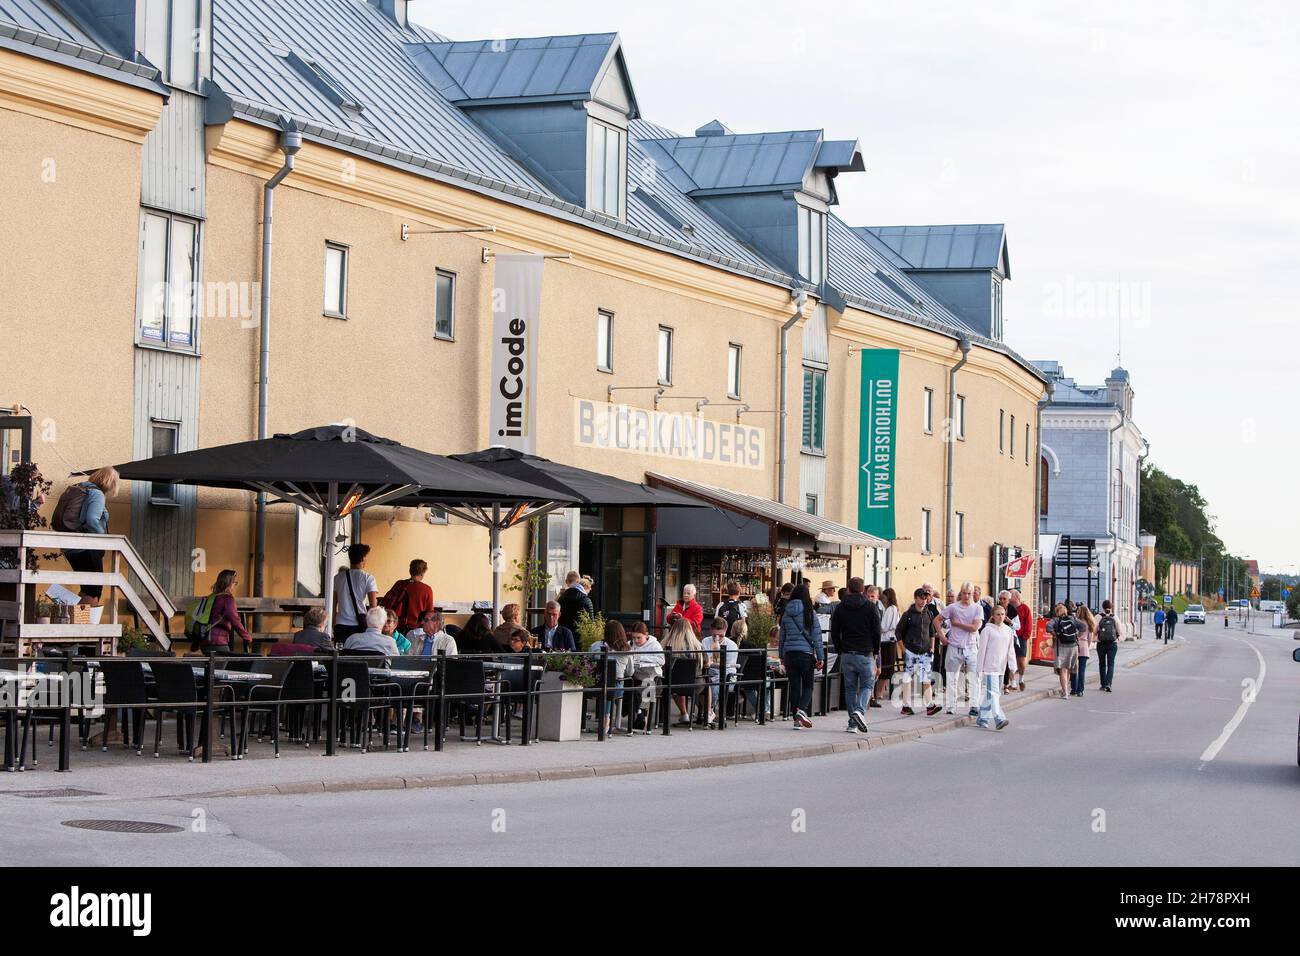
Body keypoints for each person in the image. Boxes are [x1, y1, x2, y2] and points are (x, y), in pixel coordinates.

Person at [59, 466, 119, 606]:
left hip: (71, 548)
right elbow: (92, 520)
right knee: (94, 591)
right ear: (110, 482)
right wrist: (102, 539)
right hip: (87, 548)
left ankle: (78, 622)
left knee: (86, 589)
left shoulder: (80, 488)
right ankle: (85, 626)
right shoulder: (97, 494)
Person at [830, 577, 881, 734]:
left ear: (849, 589)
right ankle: (860, 711)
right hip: (865, 652)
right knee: (867, 685)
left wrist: (840, 649)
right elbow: (877, 632)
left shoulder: (840, 607)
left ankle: (852, 724)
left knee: (850, 688)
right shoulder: (870, 607)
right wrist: (876, 651)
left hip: (847, 652)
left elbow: (834, 631)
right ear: (863, 590)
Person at [778, 581, 823, 729]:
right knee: (808, 685)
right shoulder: (810, 612)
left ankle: (796, 720)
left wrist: (781, 656)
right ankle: (802, 710)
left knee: (795, 687)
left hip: (790, 654)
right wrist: (821, 657)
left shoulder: (786, 612)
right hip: (805, 654)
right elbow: (817, 636)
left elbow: (782, 637)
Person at [938, 582, 984, 717]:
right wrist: (941, 636)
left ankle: (974, 705)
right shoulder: (953, 607)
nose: (967, 596)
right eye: (964, 593)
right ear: (961, 593)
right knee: (952, 677)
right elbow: (937, 620)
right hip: (954, 645)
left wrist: (957, 624)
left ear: (973, 594)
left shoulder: (977, 608)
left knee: (974, 677)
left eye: (969, 593)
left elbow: (975, 627)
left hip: (971, 646)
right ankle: (951, 706)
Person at [896, 588, 942, 717]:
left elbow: (932, 632)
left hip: (926, 651)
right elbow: (898, 632)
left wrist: (932, 647)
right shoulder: (908, 615)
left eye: (925, 598)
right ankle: (906, 706)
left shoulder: (929, 614)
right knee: (908, 678)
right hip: (911, 650)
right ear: (915, 598)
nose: (924, 600)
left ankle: (930, 705)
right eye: (921, 598)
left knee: (926, 678)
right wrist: (904, 649)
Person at [589, 620, 635, 734]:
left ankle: (605, 720)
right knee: (611, 685)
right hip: (616, 688)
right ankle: (607, 720)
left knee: (606, 684)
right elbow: (630, 672)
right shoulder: (627, 649)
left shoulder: (595, 646)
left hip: (595, 686)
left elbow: (587, 664)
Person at [975, 605, 1015, 731]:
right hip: (989, 667)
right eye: (998, 614)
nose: (1001, 617)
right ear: (993, 615)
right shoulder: (987, 631)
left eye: (1003, 614)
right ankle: (999, 718)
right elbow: (981, 651)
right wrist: (979, 669)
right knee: (993, 694)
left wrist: (1013, 666)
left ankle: (982, 718)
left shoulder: (1008, 631)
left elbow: (1010, 649)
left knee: (991, 695)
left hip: (1001, 667)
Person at [662, 616, 704, 725]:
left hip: (673, 684)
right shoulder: (697, 646)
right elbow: (706, 663)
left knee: (677, 685)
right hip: (695, 684)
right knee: (708, 683)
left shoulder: (666, 645)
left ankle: (684, 713)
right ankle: (707, 713)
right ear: (690, 630)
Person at [333, 544, 378, 643]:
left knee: (340, 655)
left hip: (341, 624)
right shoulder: (368, 578)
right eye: (366, 557)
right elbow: (373, 606)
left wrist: (334, 621)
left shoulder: (337, 578)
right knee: (358, 655)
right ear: (362, 558)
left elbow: (334, 603)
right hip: (360, 625)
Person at [203, 568, 252, 653]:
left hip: (204, 640)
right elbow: (235, 620)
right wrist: (246, 636)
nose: (234, 586)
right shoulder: (227, 599)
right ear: (229, 583)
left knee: (213, 666)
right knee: (225, 663)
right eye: (234, 583)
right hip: (217, 642)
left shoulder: (211, 597)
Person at [379, 559, 434, 632]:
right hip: (417, 629)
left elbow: (386, 604)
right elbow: (430, 613)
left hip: (397, 627)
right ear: (422, 573)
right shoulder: (427, 589)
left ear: (410, 571)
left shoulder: (399, 584)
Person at [629, 623, 664, 728]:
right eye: (634, 637)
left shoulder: (655, 645)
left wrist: (641, 658)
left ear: (646, 635)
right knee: (625, 689)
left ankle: (641, 716)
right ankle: (639, 714)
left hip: (653, 679)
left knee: (642, 689)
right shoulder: (630, 644)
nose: (636, 641)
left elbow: (661, 660)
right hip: (635, 678)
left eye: (639, 637)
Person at [874, 587, 900, 708]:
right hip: (890, 639)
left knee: (884, 667)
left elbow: (884, 626)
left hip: (886, 639)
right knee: (886, 666)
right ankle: (880, 691)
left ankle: (879, 692)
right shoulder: (894, 609)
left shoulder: (890, 609)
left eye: (884, 596)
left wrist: (876, 627)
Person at [1050, 603, 1081, 699]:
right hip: (1073, 646)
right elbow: (1083, 626)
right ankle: (1065, 689)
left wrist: (1055, 634)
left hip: (1061, 647)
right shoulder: (1072, 619)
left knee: (1063, 670)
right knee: (1067, 669)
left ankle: (1065, 692)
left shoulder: (1055, 620)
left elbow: (1048, 627)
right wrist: (1076, 634)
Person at [1095, 600, 1121, 692]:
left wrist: (1096, 638)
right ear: (1111, 607)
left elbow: (1094, 630)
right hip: (1112, 644)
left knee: (1102, 664)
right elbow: (1120, 631)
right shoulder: (1115, 617)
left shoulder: (1098, 617)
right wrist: (1118, 639)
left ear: (1102, 607)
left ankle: (1103, 684)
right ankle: (1108, 683)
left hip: (1101, 643)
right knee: (1111, 664)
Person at [1009, 588, 1032, 690]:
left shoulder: (1024, 608)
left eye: (1011, 595)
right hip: (1009, 637)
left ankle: (1021, 679)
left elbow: (1029, 624)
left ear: (1017, 597)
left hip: (1021, 638)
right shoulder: (1008, 608)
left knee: (1021, 660)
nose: (1009, 597)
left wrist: (1025, 636)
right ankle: (1012, 682)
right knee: (1010, 660)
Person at [1073, 605, 1098, 697]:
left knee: (1074, 669)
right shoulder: (1089, 623)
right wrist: (1086, 646)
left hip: (1075, 646)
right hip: (1084, 646)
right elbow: (1090, 638)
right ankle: (1080, 690)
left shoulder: (1076, 622)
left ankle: (1074, 688)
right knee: (1082, 670)